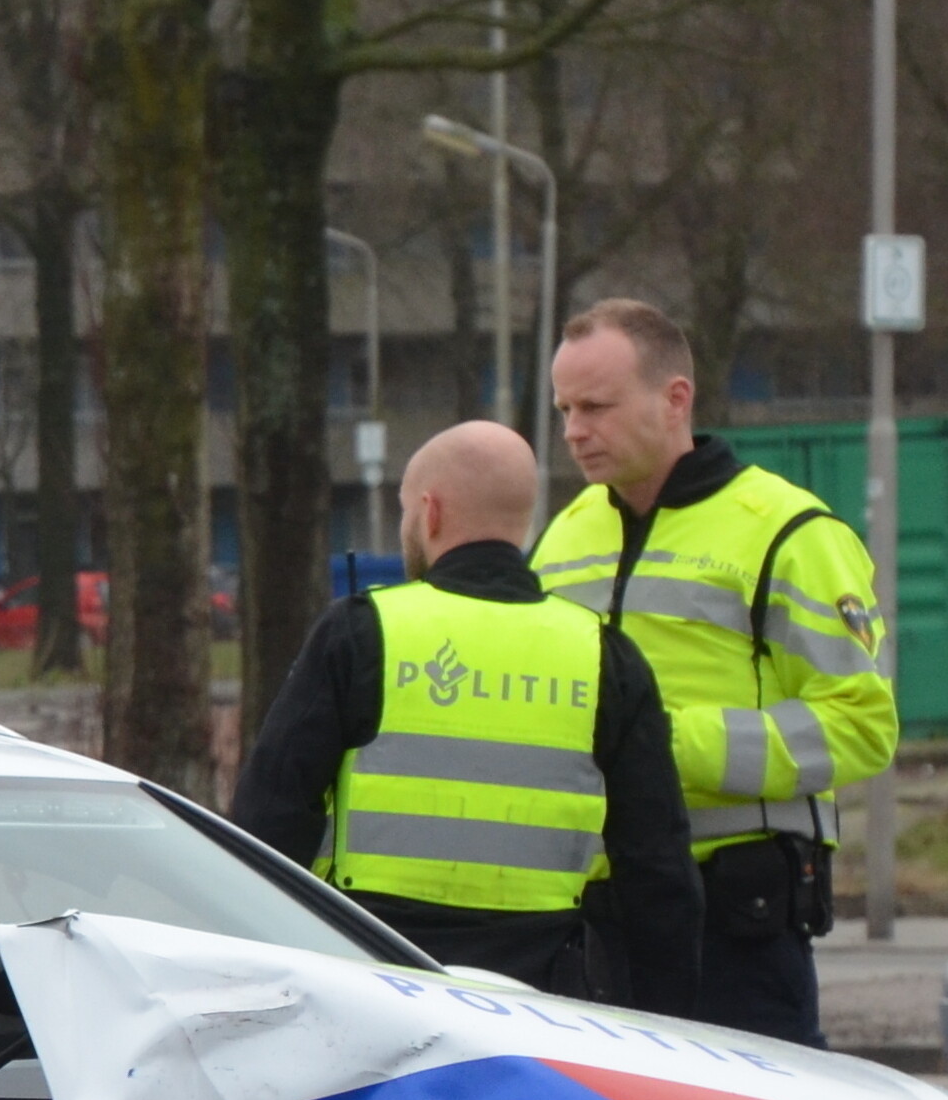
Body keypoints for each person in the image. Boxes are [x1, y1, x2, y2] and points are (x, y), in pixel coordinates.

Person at [528, 297, 895, 1046]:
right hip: (593, 922)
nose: (574, 430)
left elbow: (861, 727)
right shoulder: (564, 536)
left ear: (675, 400)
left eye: (596, 406)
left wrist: (661, 747)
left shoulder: (790, 533)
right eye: (564, 408)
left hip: (736, 929)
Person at [232, 420, 697, 1006]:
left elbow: (269, 823)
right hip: (546, 995)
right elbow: (658, 870)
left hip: (375, 984)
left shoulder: (362, 632)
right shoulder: (604, 654)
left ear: (429, 512)